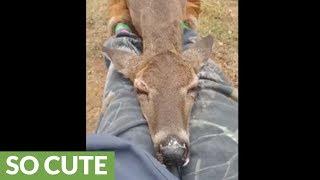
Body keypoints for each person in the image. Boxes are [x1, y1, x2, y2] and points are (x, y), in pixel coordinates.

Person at [86, 22, 238, 180]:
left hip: (122, 165)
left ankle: (123, 31)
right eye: (143, 90)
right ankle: (186, 32)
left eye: (191, 89)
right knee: (212, 84)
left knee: (118, 50)